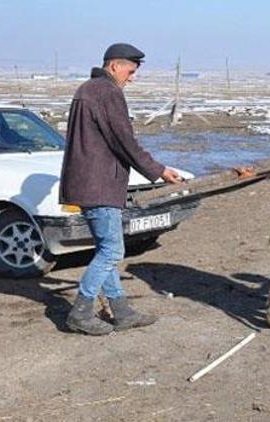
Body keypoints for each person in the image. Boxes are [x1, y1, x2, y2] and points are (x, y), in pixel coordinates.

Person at [59, 43, 183, 336]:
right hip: (99, 185)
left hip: (89, 183)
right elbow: (124, 141)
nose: (132, 77)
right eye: (130, 71)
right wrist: (159, 170)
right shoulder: (107, 92)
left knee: (106, 250)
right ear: (114, 66)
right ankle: (80, 312)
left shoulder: (86, 90)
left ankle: (122, 312)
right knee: (113, 251)